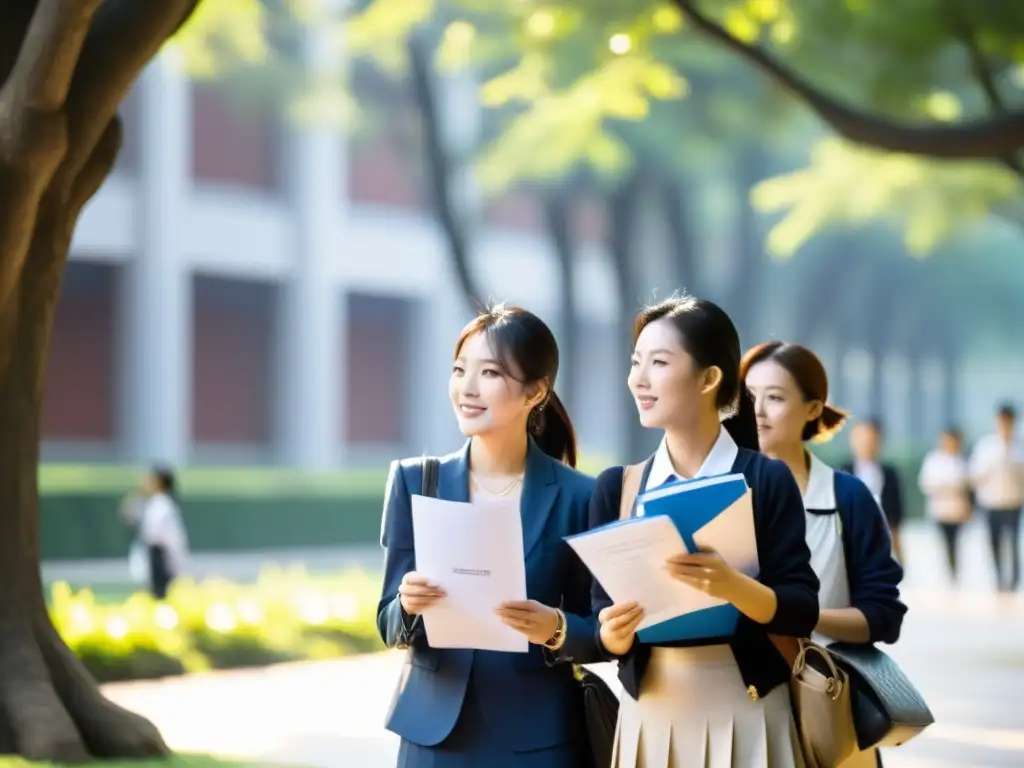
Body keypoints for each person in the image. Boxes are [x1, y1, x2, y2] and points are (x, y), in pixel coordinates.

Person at [592, 297, 819, 768]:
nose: (639, 379)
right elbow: (598, 615)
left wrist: (733, 586)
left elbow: (801, 608)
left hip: (749, 710)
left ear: (709, 377)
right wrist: (611, 634)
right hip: (649, 718)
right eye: (636, 363)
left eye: (658, 362)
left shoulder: (765, 480)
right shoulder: (618, 488)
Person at [377, 304, 598, 768]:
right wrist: (408, 604)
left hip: (537, 739)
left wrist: (555, 628)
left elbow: (599, 629)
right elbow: (387, 622)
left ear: (535, 391)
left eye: (490, 373)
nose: (467, 388)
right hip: (433, 737)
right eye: (459, 370)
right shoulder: (415, 482)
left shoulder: (580, 496)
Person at [743, 341, 906, 768]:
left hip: (827, 701)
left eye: (774, 398)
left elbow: (882, 615)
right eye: (748, 397)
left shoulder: (845, 496)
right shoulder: (718, 494)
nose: (757, 410)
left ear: (813, 408)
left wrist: (790, 614)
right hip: (738, 708)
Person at [968, 403, 1024, 592]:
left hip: (1013, 502)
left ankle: (1014, 580)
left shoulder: (1020, 446)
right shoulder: (986, 446)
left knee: (1013, 542)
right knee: (994, 542)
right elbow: (975, 475)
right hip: (991, 503)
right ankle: (999, 579)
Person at [842, 419, 905, 562]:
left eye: (872, 439)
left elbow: (896, 513)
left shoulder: (890, 474)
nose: (867, 444)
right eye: (862, 438)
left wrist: (899, 551)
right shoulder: (841, 471)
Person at [917, 427, 973, 584]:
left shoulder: (962, 460)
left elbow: (968, 487)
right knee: (944, 543)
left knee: (956, 543)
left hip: (958, 511)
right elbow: (926, 483)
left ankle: (955, 573)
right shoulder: (934, 460)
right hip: (940, 511)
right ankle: (947, 574)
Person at [136, 466, 189, 600]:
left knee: (160, 595)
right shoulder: (161, 503)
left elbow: (154, 534)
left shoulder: (160, 504)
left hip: (160, 555)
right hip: (161, 554)